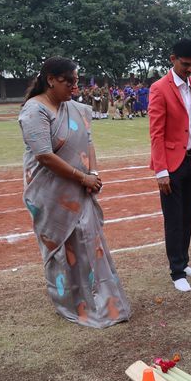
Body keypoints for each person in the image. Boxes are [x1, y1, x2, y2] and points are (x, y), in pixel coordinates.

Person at [18, 56, 131, 328]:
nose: (74, 86)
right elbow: (44, 155)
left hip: (81, 188)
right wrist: (82, 177)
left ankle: (101, 299)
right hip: (50, 194)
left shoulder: (78, 109)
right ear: (51, 80)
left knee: (88, 244)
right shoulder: (35, 111)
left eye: (76, 81)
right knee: (63, 249)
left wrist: (92, 174)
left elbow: (88, 143)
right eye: (69, 81)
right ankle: (70, 301)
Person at [148, 38, 191, 292]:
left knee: (188, 218)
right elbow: (156, 132)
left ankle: (184, 263)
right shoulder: (159, 88)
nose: (190, 69)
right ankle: (176, 271)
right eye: (186, 64)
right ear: (172, 59)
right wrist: (161, 171)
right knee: (174, 220)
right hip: (172, 166)